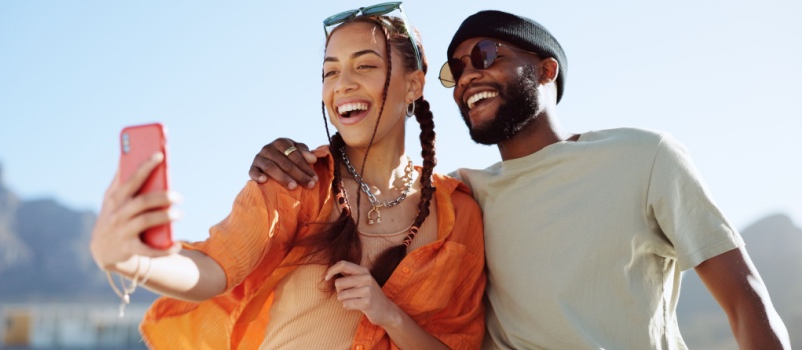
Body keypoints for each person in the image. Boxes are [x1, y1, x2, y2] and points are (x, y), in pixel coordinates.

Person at [248, 9, 791, 350]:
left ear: (546, 69)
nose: (469, 76)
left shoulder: (644, 156)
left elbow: (745, 301)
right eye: (457, 69)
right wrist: (286, 155)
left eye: (485, 56)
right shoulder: (462, 197)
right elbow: (373, 184)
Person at [90, 4, 486, 349]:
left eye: (365, 65)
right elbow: (213, 270)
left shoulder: (459, 215)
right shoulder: (294, 182)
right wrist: (132, 258)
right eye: (330, 72)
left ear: (413, 85)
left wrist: (390, 315)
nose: (342, 84)